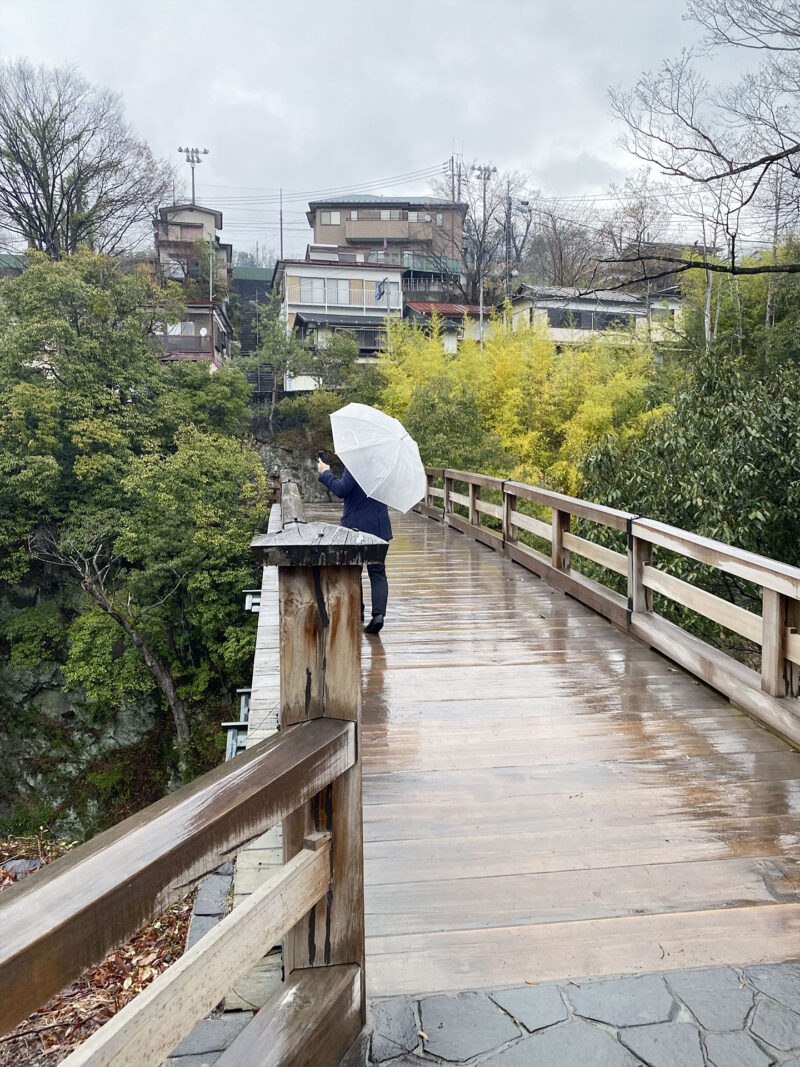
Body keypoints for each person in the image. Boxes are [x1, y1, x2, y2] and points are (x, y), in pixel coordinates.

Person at [317, 458, 391, 634]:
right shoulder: (384, 464)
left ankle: (358, 610)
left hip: (355, 527)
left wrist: (325, 472)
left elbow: (341, 489)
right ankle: (378, 615)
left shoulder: (356, 463)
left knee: (352, 570)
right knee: (378, 572)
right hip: (379, 526)